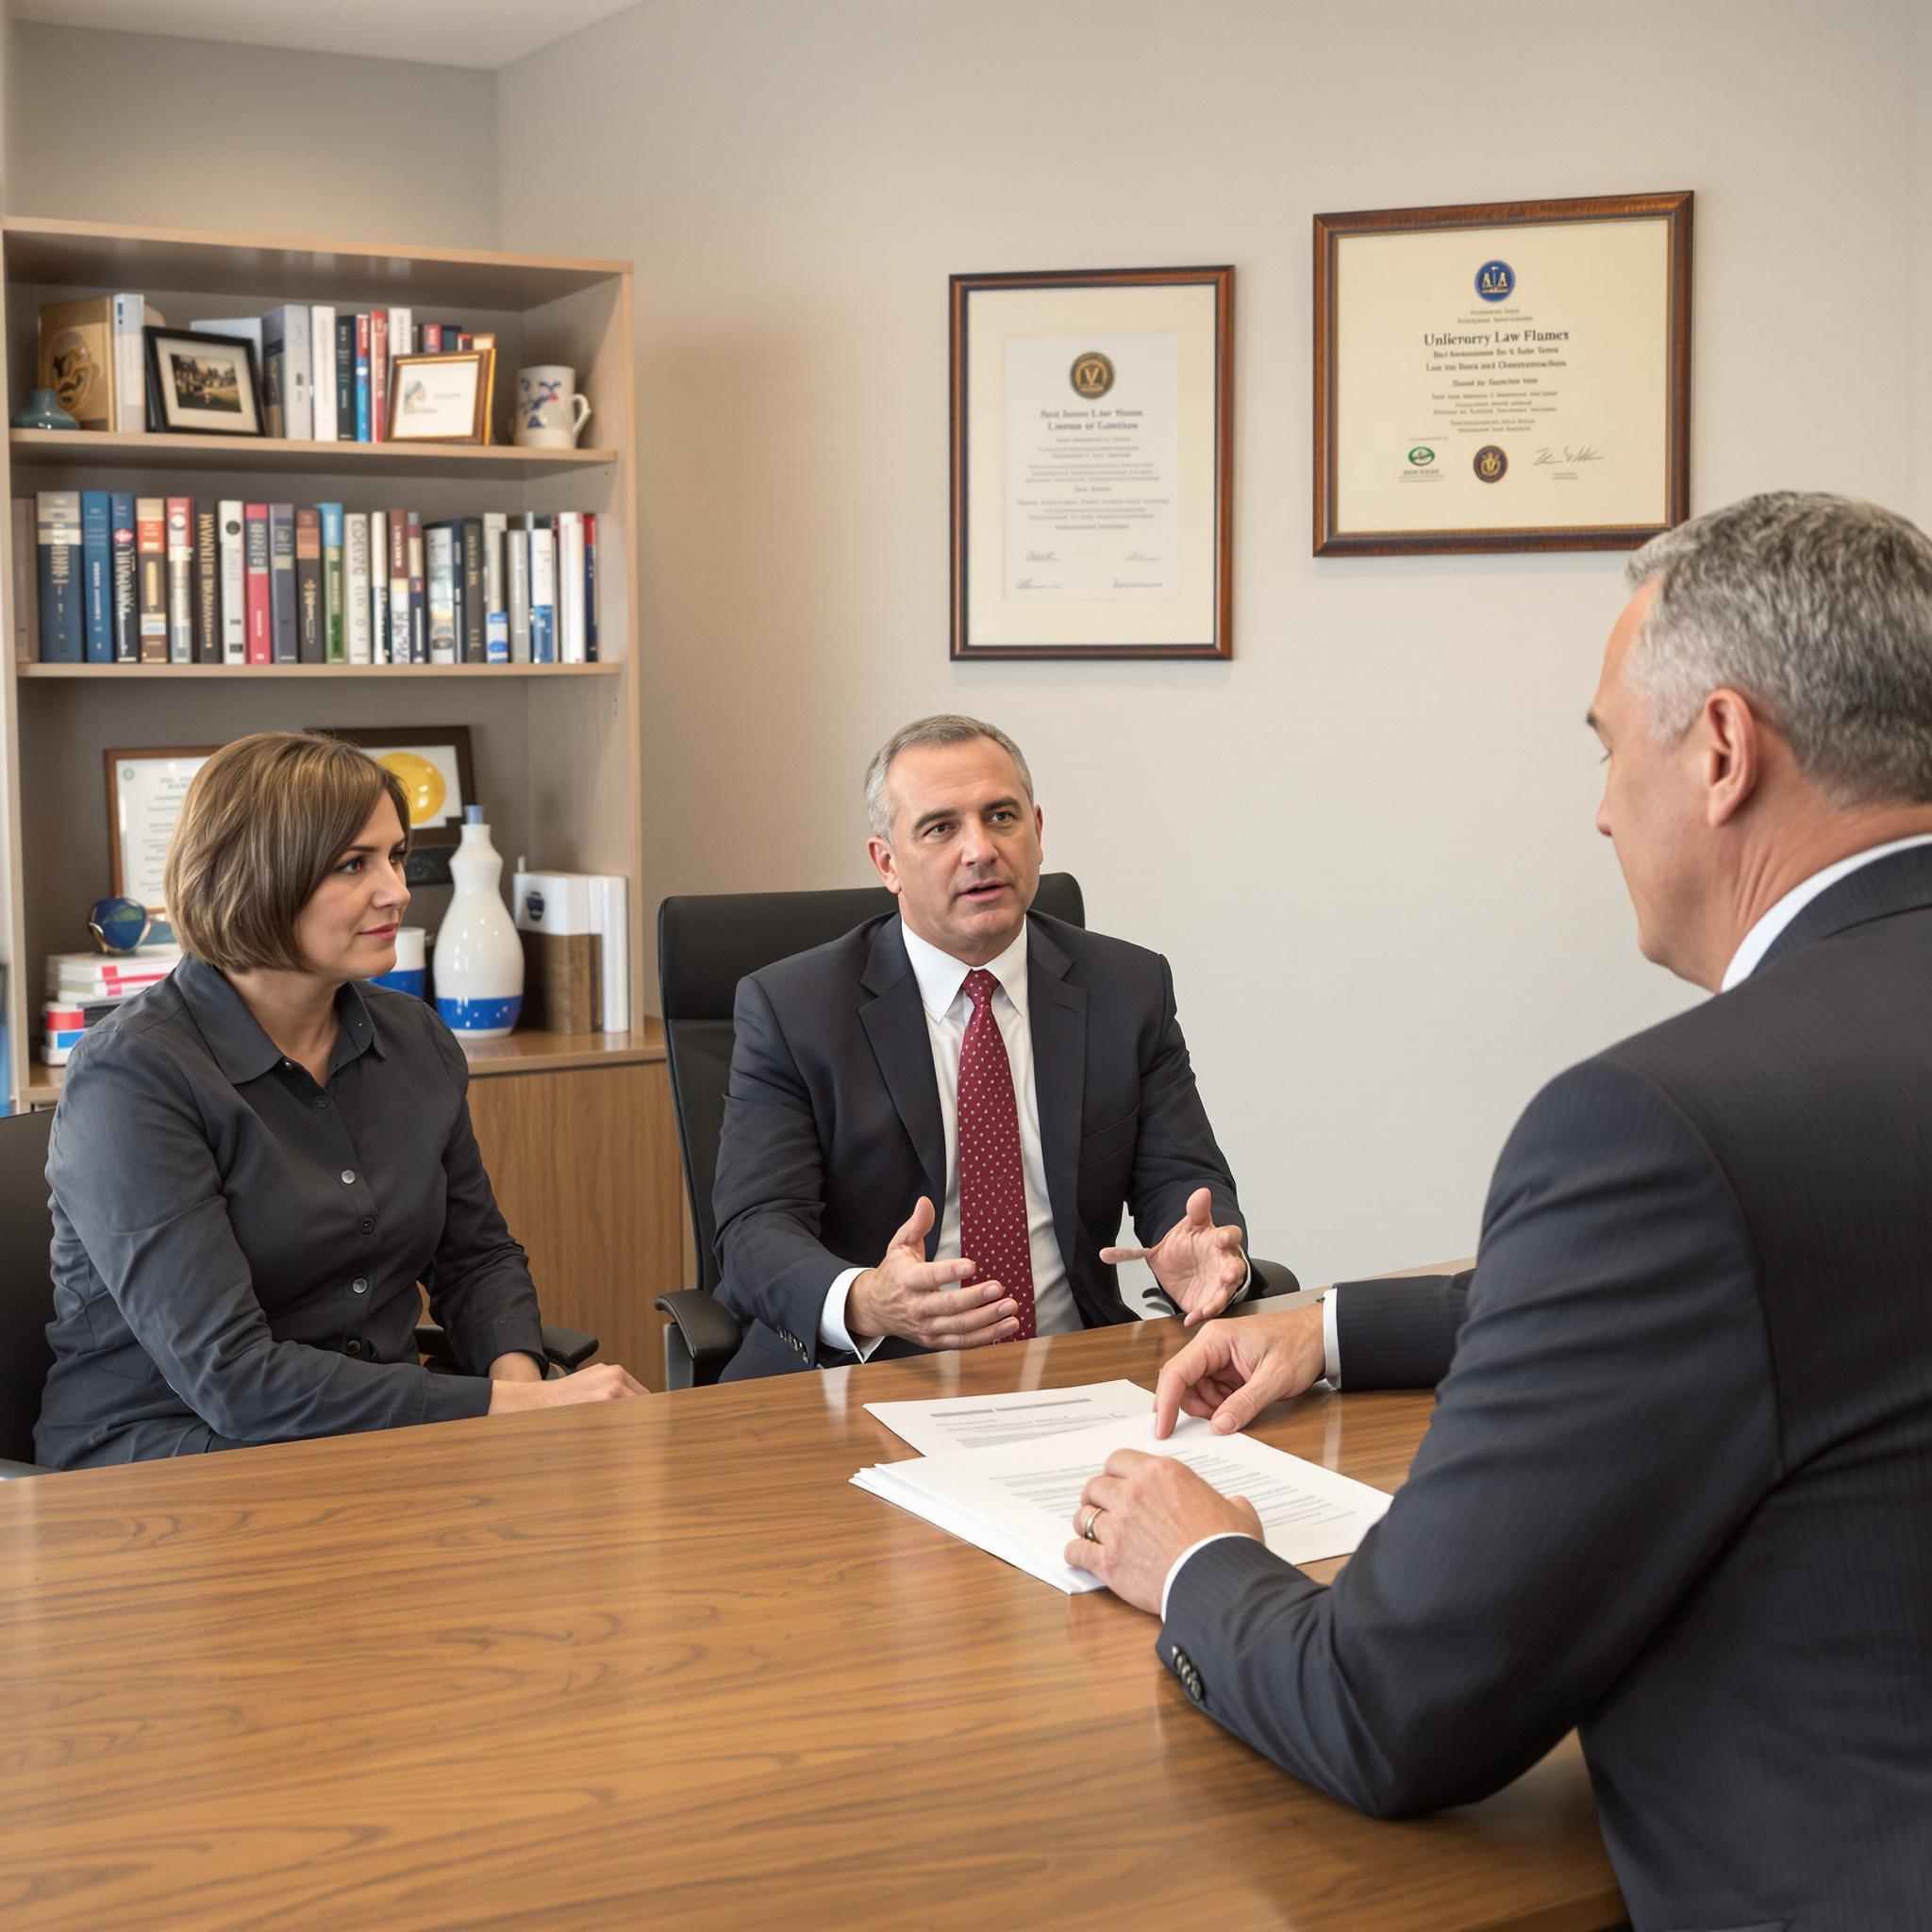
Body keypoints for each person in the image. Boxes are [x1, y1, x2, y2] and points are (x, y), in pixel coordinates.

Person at [1066, 492, 1932, 1929]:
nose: (1599, 805)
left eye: (1607, 745)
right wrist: (1332, 1332)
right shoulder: (1765, 1146)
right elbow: (1813, 1271)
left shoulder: (1660, 1128)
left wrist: (1195, 1557)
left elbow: (1394, 1709)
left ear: (1719, 751)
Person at [36, 731, 644, 1468]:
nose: (395, 889)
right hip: (167, 1463)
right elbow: (233, 1380)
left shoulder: (412, 1036)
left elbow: (476, 1258)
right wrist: (508, 1406)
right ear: (255, 876)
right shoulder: (134, 1077)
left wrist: (519, 1384)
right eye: (354, 865)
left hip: (369, 1442)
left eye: (393, 857)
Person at [711, 713, 1253, 1380]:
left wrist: (1204, 1253)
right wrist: (867, 1302)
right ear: (887, 863)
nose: (980, 850)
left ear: (1038, 831)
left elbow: (1182, 1179)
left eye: (1002, 817)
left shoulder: (1128, 987)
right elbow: (754, 1231)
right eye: (940, 828)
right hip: (862, 1378)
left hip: (1075, 1369)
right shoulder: (793, 1010)